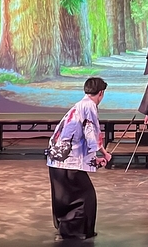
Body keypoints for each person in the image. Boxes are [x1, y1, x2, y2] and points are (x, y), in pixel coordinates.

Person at [46, 77, 112, 240]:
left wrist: (97, 157)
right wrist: (102, 154)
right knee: (85, 196)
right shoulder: (89, 106)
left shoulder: (79, 105)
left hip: (56, 158)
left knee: (64, 196)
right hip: (68, 160)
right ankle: (77, 231)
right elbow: (91, 135)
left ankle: (66, 229)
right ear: (101, 93)